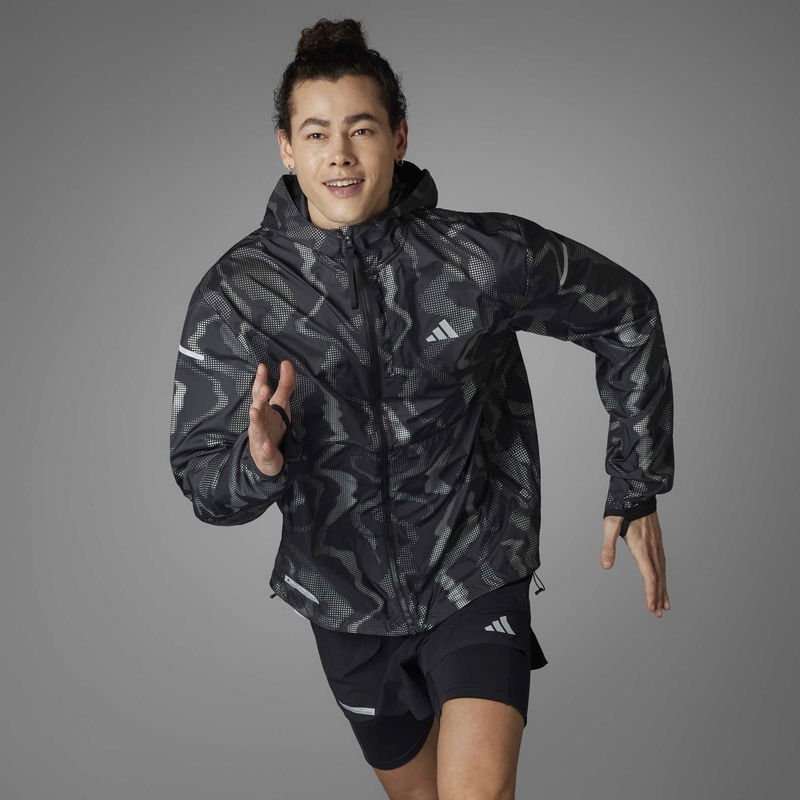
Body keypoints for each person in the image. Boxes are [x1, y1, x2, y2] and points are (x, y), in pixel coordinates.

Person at [169, 16, 675, 800]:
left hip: (475, 568)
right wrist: (257, 463)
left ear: (399, 137)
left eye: (362, 129)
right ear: (286, 148)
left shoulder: (479, 259)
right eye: (316, 134)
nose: (340, 154)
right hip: (343, 601)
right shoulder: (237, 295)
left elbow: (626, 312)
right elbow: (204, 482)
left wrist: (635, 483)